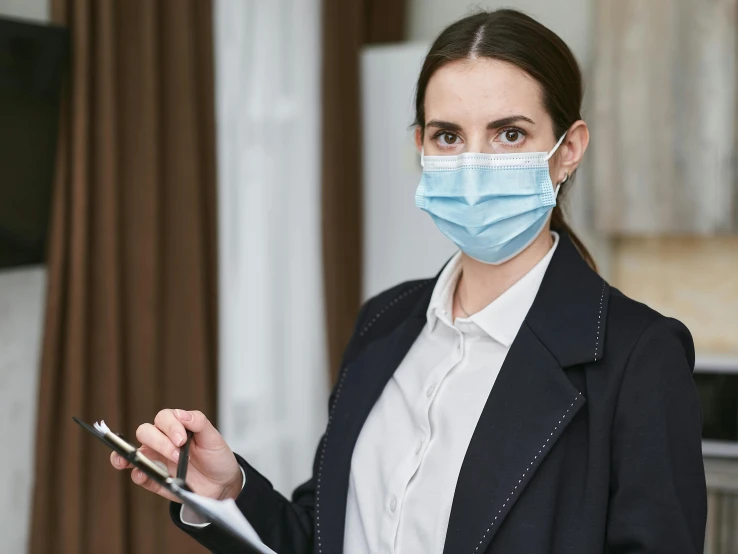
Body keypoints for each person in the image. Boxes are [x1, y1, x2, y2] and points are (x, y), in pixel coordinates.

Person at [110, 9, 707, 553]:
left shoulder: (639, 357)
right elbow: (322, 534)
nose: (472, 165)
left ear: (568, 148)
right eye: (448, 136)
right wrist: (226, 490)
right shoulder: (384, 320)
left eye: (509, 133)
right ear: (421, 146)